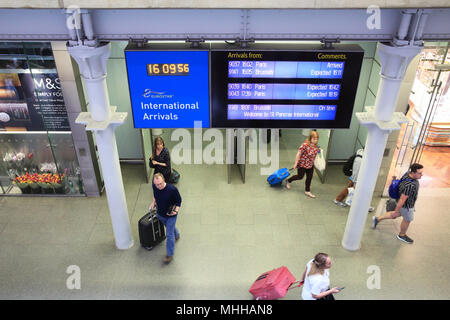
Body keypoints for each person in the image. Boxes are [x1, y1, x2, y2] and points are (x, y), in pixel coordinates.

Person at [372, 163, 424, 244]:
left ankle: (377, 219)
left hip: (403, 203)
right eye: (419, 173)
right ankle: (402, 235)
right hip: (406, 206)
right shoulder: (409, 185)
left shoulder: (407, 174)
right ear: (413, 173)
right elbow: (402, 200)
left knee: (395, 214)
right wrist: (396, 211)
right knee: (407, 219)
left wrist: (396, 212)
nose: (422, 175)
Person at [149, 173, 182, 263]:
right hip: (160, 214)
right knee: (169, 227)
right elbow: (155, 195)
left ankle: (169, 255)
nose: (158, 186)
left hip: (171, 215)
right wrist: (153, 202)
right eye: (156, 184)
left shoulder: (172, 189)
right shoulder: (154, 186)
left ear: (163, 180)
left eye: (160, 184)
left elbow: (179, 201)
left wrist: (176, 210)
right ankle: (177, 234)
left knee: (169, 234)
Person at [285, 130, 320, 198]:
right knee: (300, 177)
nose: (316, 140)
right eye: (314, 139)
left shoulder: (316, 146)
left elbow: (315, 153)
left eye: (317, 139)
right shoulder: (305, 145)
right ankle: (288, 180)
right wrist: (296, 163)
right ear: (310, 138)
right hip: (302, 164)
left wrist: (319, 151)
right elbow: (298, 154)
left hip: (310, 165)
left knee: (309, 178)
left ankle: (307, 191)